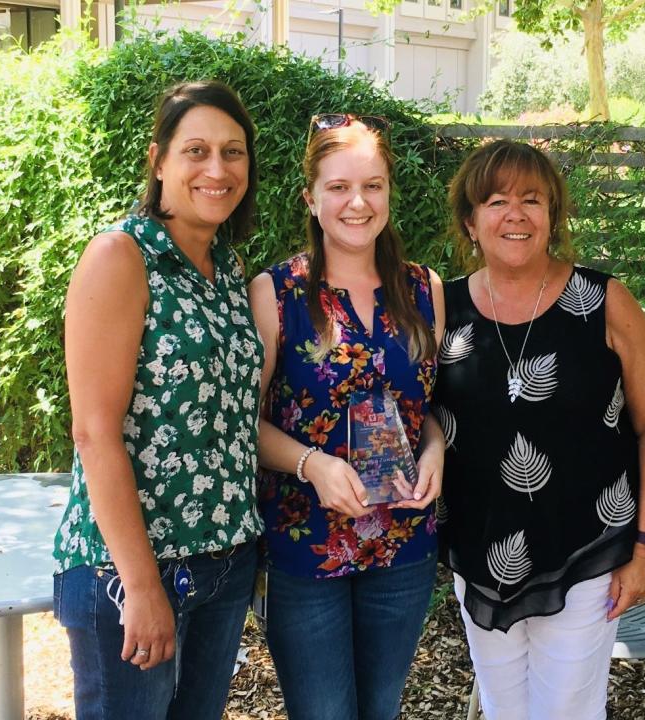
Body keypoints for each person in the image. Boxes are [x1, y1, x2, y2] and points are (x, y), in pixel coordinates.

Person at [434, 139, 645, 720]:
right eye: (495, 201)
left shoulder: (603, 301)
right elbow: (416, 419)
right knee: (502, 710)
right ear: (471, 222)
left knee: (566, 712)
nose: (514, 214)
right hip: (479, 555)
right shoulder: (440, 308)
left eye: (531, 199)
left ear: (553, 217)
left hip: (587, 551)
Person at [51, 80, 265, 720]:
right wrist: (140, 588)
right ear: (159, 161)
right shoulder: (121, 257)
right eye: (195, 150)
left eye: (233, 152)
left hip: (223, 562)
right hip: (130, 572)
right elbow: (93, 432)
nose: (217, 169)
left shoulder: (226, 268)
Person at [247, 114, 446, 720]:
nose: (357, 202)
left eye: (373, 185)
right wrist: (312, 464)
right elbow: (240, 427)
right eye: (338, 187)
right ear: (311, 197)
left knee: (380, 709)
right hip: (305, 544)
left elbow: (428, 407)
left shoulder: (424, 288)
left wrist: (436, 451)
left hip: (405, 543)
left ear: (390, 192)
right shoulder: (276, 292)